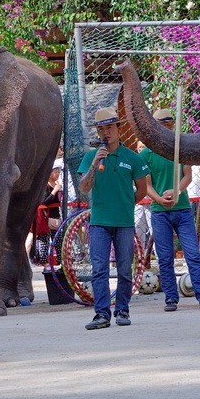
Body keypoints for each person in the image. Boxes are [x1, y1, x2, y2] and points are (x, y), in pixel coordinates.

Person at [77, 107, 156, 330]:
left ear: (119, 129)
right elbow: (84, 187)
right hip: (99, 222)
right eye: (101, 129)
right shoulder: (91, 156)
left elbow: (142, 189)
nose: (105, 133)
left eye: (110, 127)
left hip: (124, 222)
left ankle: (123, 310)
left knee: (124, 268)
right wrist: (94, 165)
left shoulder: (132, 157)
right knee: (99, 269)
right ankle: (102, 314)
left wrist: (126, 202)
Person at [141, 108, 200, 312]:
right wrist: (159, 198)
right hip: (160, 210)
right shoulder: (147, 154)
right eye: (162, 124)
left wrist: (177, 191)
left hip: (182, 208)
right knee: (165, 256)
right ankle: (170, 298)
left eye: (169, 124)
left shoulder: (179, 149)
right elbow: (146, 184)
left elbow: (187, 175)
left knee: (192, 253)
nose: (166, 128)